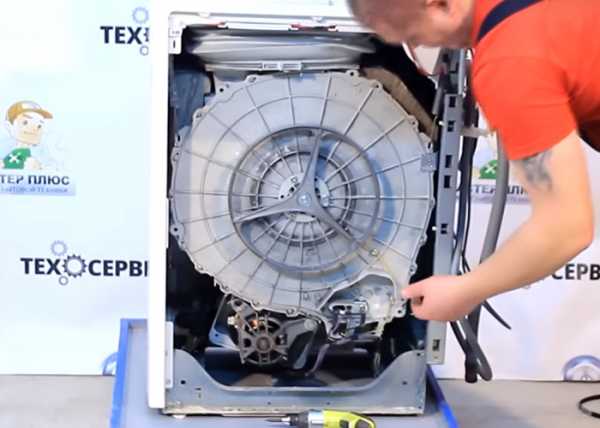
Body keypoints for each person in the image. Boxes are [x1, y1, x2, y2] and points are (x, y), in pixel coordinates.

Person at [348, 0, 598, 321]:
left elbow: (565, 228)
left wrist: (466, 289)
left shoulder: (511, 62)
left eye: (415, 37)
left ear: (440, 4)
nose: (422, 50)